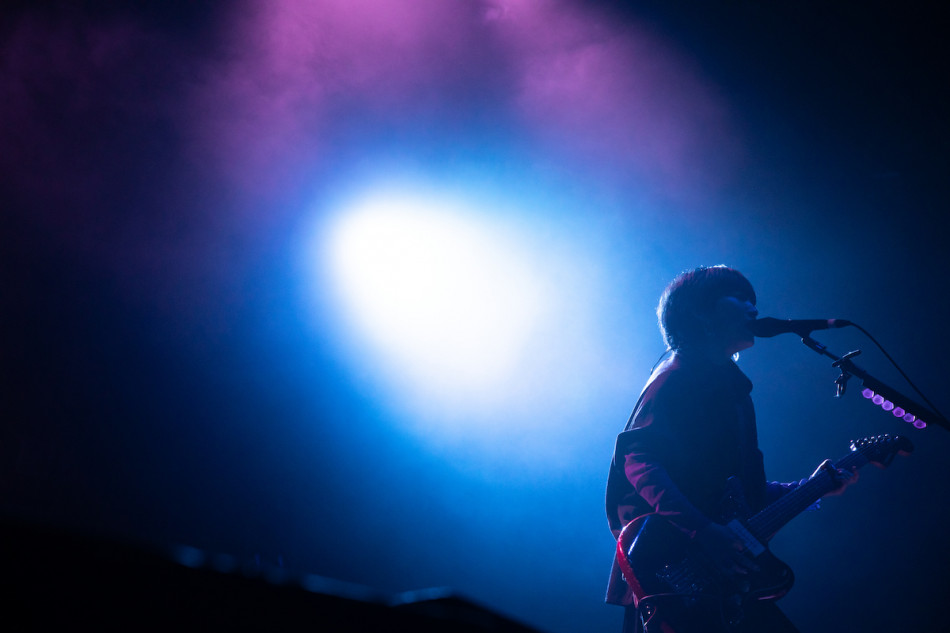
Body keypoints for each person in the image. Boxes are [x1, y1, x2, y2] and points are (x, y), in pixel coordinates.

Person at [604, 265, 856, 633]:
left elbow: (737, 493)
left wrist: (810, 487)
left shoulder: (733, 391)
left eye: (752, 300)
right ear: (700, 311)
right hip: (674, 579)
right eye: (738, 298)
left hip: (720, 585)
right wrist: (702, 531)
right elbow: (639, 460)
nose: (753, 308)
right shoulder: (676, 377)